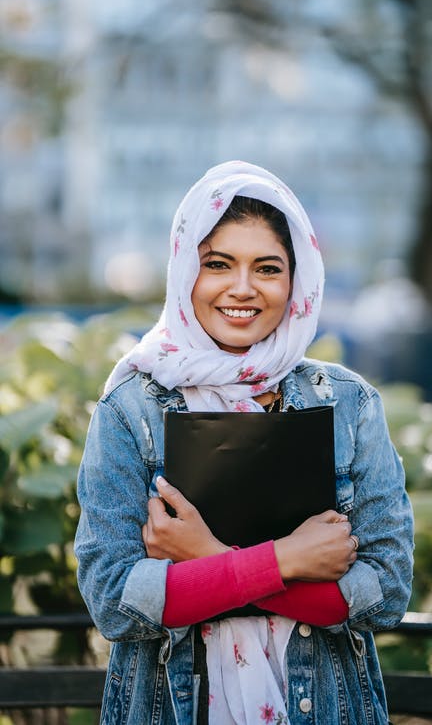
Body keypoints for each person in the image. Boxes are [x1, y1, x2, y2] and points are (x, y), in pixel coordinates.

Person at [75, 161, 414, 725]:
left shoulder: (351, 405)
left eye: (267, 268)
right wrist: (288, 560)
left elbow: (383, 593)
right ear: (186, 271)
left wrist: (205, 559)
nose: (242, 288)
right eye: (218, 265)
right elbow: (115, 602)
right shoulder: (130, 409)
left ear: (296, 281)